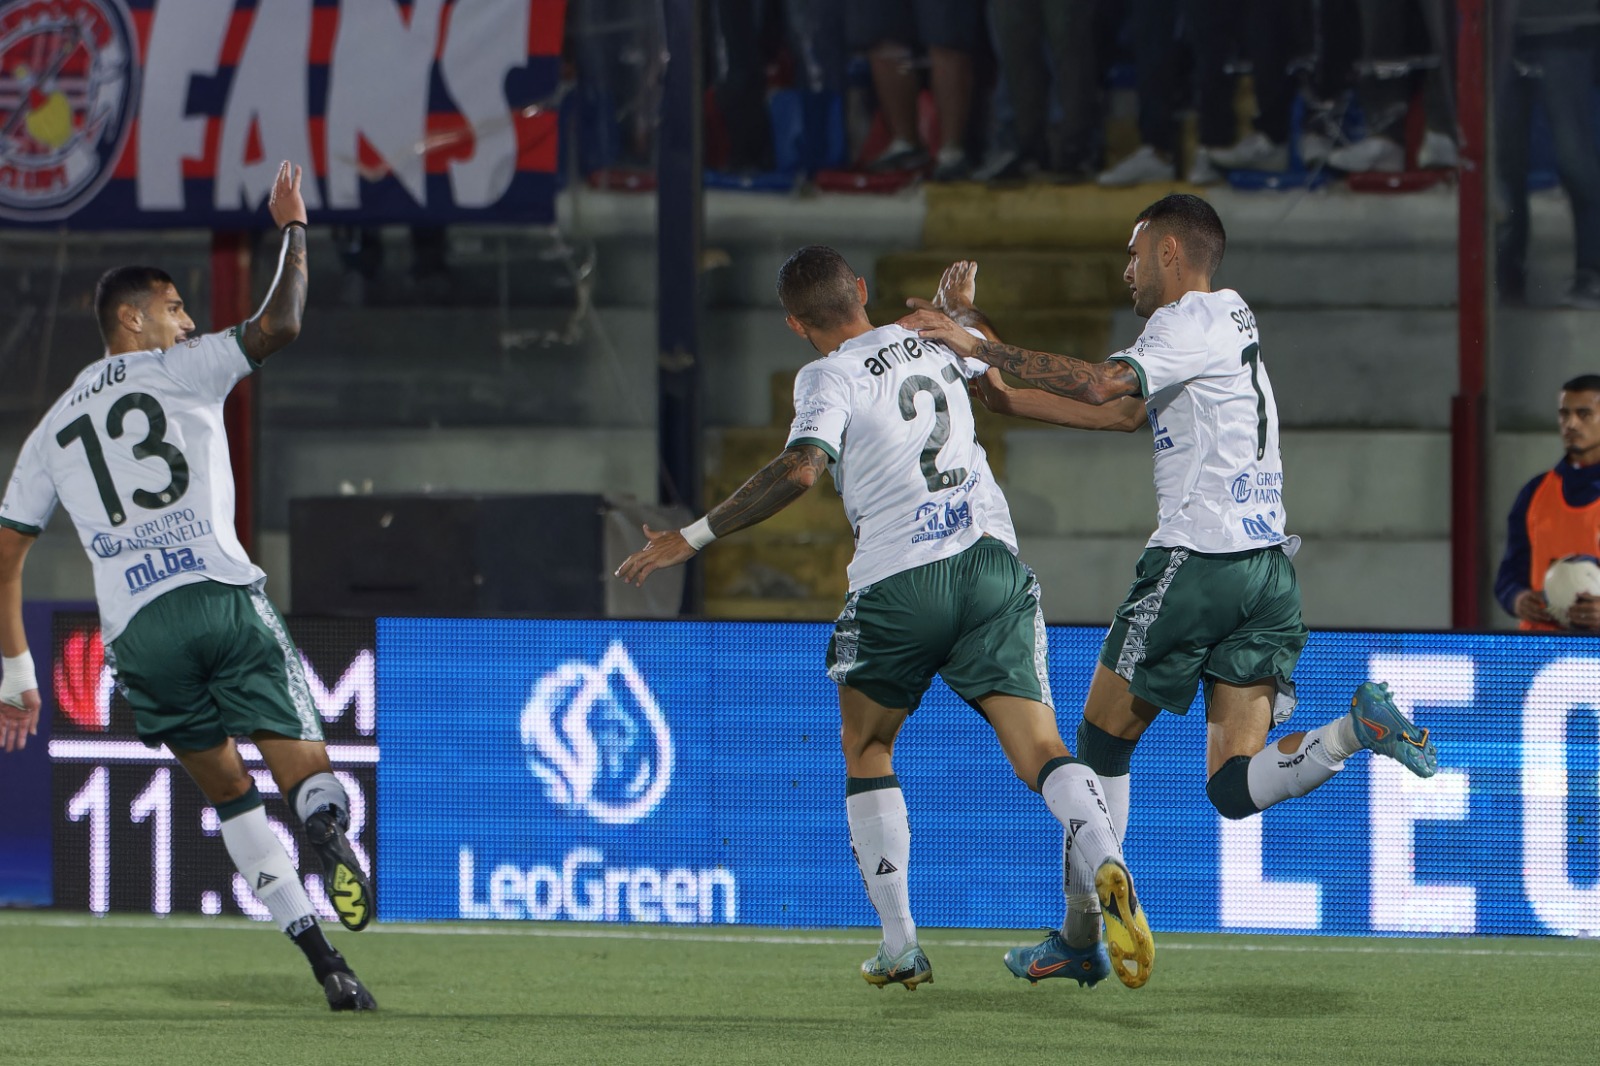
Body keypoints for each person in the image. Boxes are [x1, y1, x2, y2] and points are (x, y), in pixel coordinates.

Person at [615, 245, 1156, 991]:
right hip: (990, 565)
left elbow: (802, 467)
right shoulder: (933, 333)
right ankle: (1104, 857)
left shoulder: (826, 375)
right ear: (862, 290)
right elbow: (994, 378)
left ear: (796, 324)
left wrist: (694, 535)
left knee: (867, 744)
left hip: (899, 580)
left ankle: (901, 943)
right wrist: (960, 313)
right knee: (1042, 747)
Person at [903, 196, 1440, 934]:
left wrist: (974, 344)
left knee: (1098, 745)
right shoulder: (1226, 316)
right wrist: (982, 350)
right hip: (1267, 574)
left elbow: (1101, 385)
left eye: (1133, 253)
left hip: (1198, 564)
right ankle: (1353, 731)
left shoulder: (1185, 321)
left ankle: (1084, 933)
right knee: (1231, 787)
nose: (1126, 270)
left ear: (1168, 251)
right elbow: (1121, 412)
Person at [0, 161, 378, 1013]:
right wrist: (294, 229)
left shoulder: (51, 428)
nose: (189, 321)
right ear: (131, 320)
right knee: (305, 771)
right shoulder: (185, 367)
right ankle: (324, 823)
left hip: (139, 638)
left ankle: (327, 964)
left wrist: (17, 674)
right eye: (175, 308)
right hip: (219, 597)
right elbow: (282, 323)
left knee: (230, 796)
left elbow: (6, 555)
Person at [1493, 0, 1600, 308]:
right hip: (1499, 29)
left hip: (1567, 24)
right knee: (1505, 162)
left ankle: (1592, 270)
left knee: (1575, 158)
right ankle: (1507, 272)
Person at [1495, 375, 1600, 631]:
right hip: (1541, 647)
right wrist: (1517, 599)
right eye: (1564, 414)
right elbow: (1509, 574)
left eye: (1584, 414)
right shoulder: (1536, 493)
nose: (1571, 424)